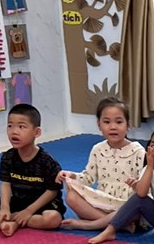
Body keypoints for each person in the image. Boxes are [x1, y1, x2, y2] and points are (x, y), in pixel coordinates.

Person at [0, 104, 64, 235]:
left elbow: (52, 192)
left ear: (36, 132)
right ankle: (4, 222)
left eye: (21, 127)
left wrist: (28, 211)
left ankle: (13, 221)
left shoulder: (47, 161)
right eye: (10, 126)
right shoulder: (7, 157)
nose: (14, 132)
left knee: (53, 219)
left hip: (42, 204)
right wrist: (4, 208)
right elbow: (5, 184)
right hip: (18, 201)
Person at [58, 96, 146, 230]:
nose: (113, 127)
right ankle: (119, 224)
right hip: (102, 201)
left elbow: (145, 184)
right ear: (99, 125)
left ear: (128, 124)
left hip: (126, 203)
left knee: (138, 207)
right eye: (107, 122)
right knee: (71, 197)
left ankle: (92, 224)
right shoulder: (98, 149)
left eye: (119, 122)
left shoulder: (138, 151)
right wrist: (71, 175)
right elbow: (88, 178)